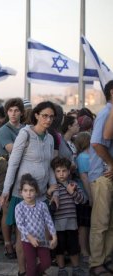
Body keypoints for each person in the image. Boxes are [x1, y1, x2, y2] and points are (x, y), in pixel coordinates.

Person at [0, 101, 58, 276]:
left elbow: (49, 167)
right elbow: (13, 163)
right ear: (37, 115)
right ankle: (23, 271)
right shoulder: (25, 134)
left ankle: (36, 269)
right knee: (22, 237)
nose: (48, 119)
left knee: (41, 233)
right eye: (45, 115)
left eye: (51, 116)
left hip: (41, 194)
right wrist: (6, 191)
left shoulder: (50, 137)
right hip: (22, 193)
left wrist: (54, 190)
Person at [87, 80, 113, 275]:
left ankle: (106, 259)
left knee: (110, 223)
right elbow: (96, 143)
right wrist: (112, 163)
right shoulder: (106, 113)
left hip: (108, 175)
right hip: (103, 175)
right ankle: (96, 263)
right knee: (101, 222)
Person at [0, 98, 25, 259]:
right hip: (6, 172)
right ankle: (8, 243)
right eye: (10, 111)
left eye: (16, 110)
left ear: (21, 112)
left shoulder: (25, 128)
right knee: (7, 210)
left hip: (22, 173)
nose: (13, 114)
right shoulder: (4, 130)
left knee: (20, 209)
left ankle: (18, 242)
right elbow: (12, 150)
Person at [15, 174, 57, 276]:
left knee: (47, 262)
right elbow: (20, 225)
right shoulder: (19, 207)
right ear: (21, 192)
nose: (28, 193)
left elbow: (49, 221)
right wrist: (30, 238)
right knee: (31, 265)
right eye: (25, 191)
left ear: (36, 192)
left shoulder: (42, 206)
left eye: (31, 190)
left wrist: (54, 236)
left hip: (42, 240)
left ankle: (36, 273)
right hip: (28, 241)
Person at [49, 157, 85, 276]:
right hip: (58, 225)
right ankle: (61, 269)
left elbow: (83, 200)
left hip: (71, 223)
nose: (61, 174)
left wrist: (72, 192)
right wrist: (48, 193)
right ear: (54, 172)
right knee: (59, 249)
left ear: (69, 171)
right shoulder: (54, 187)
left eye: (64, 171)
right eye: (58, 171)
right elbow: (48, 204)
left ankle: (75, 268)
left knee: (73, 247)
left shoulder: (73, 185)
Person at [74, 132, 92, 263]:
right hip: (85, 196)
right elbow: (85, 178)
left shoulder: (86, 156)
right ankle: (84, 251)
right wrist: (90, 196)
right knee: (84, 226)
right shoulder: (83, 157)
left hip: (88, 194)